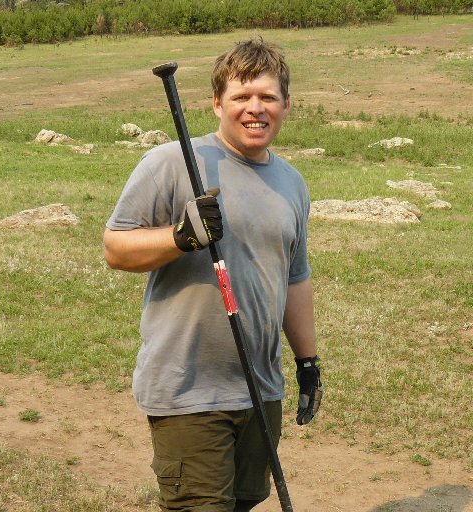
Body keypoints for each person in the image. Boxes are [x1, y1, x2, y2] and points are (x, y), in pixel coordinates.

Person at [104, 38, 323, 512]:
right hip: (188, 388)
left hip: (260, 387)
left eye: (267, 97)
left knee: (244, 503)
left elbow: (295, 278)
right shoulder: (174, 163)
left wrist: (307, 363)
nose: (255, 109)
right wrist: (181, 235)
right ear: (217, 103)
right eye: (242, 97)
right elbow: (116, 248)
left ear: (287, 104)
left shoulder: (292, 183)